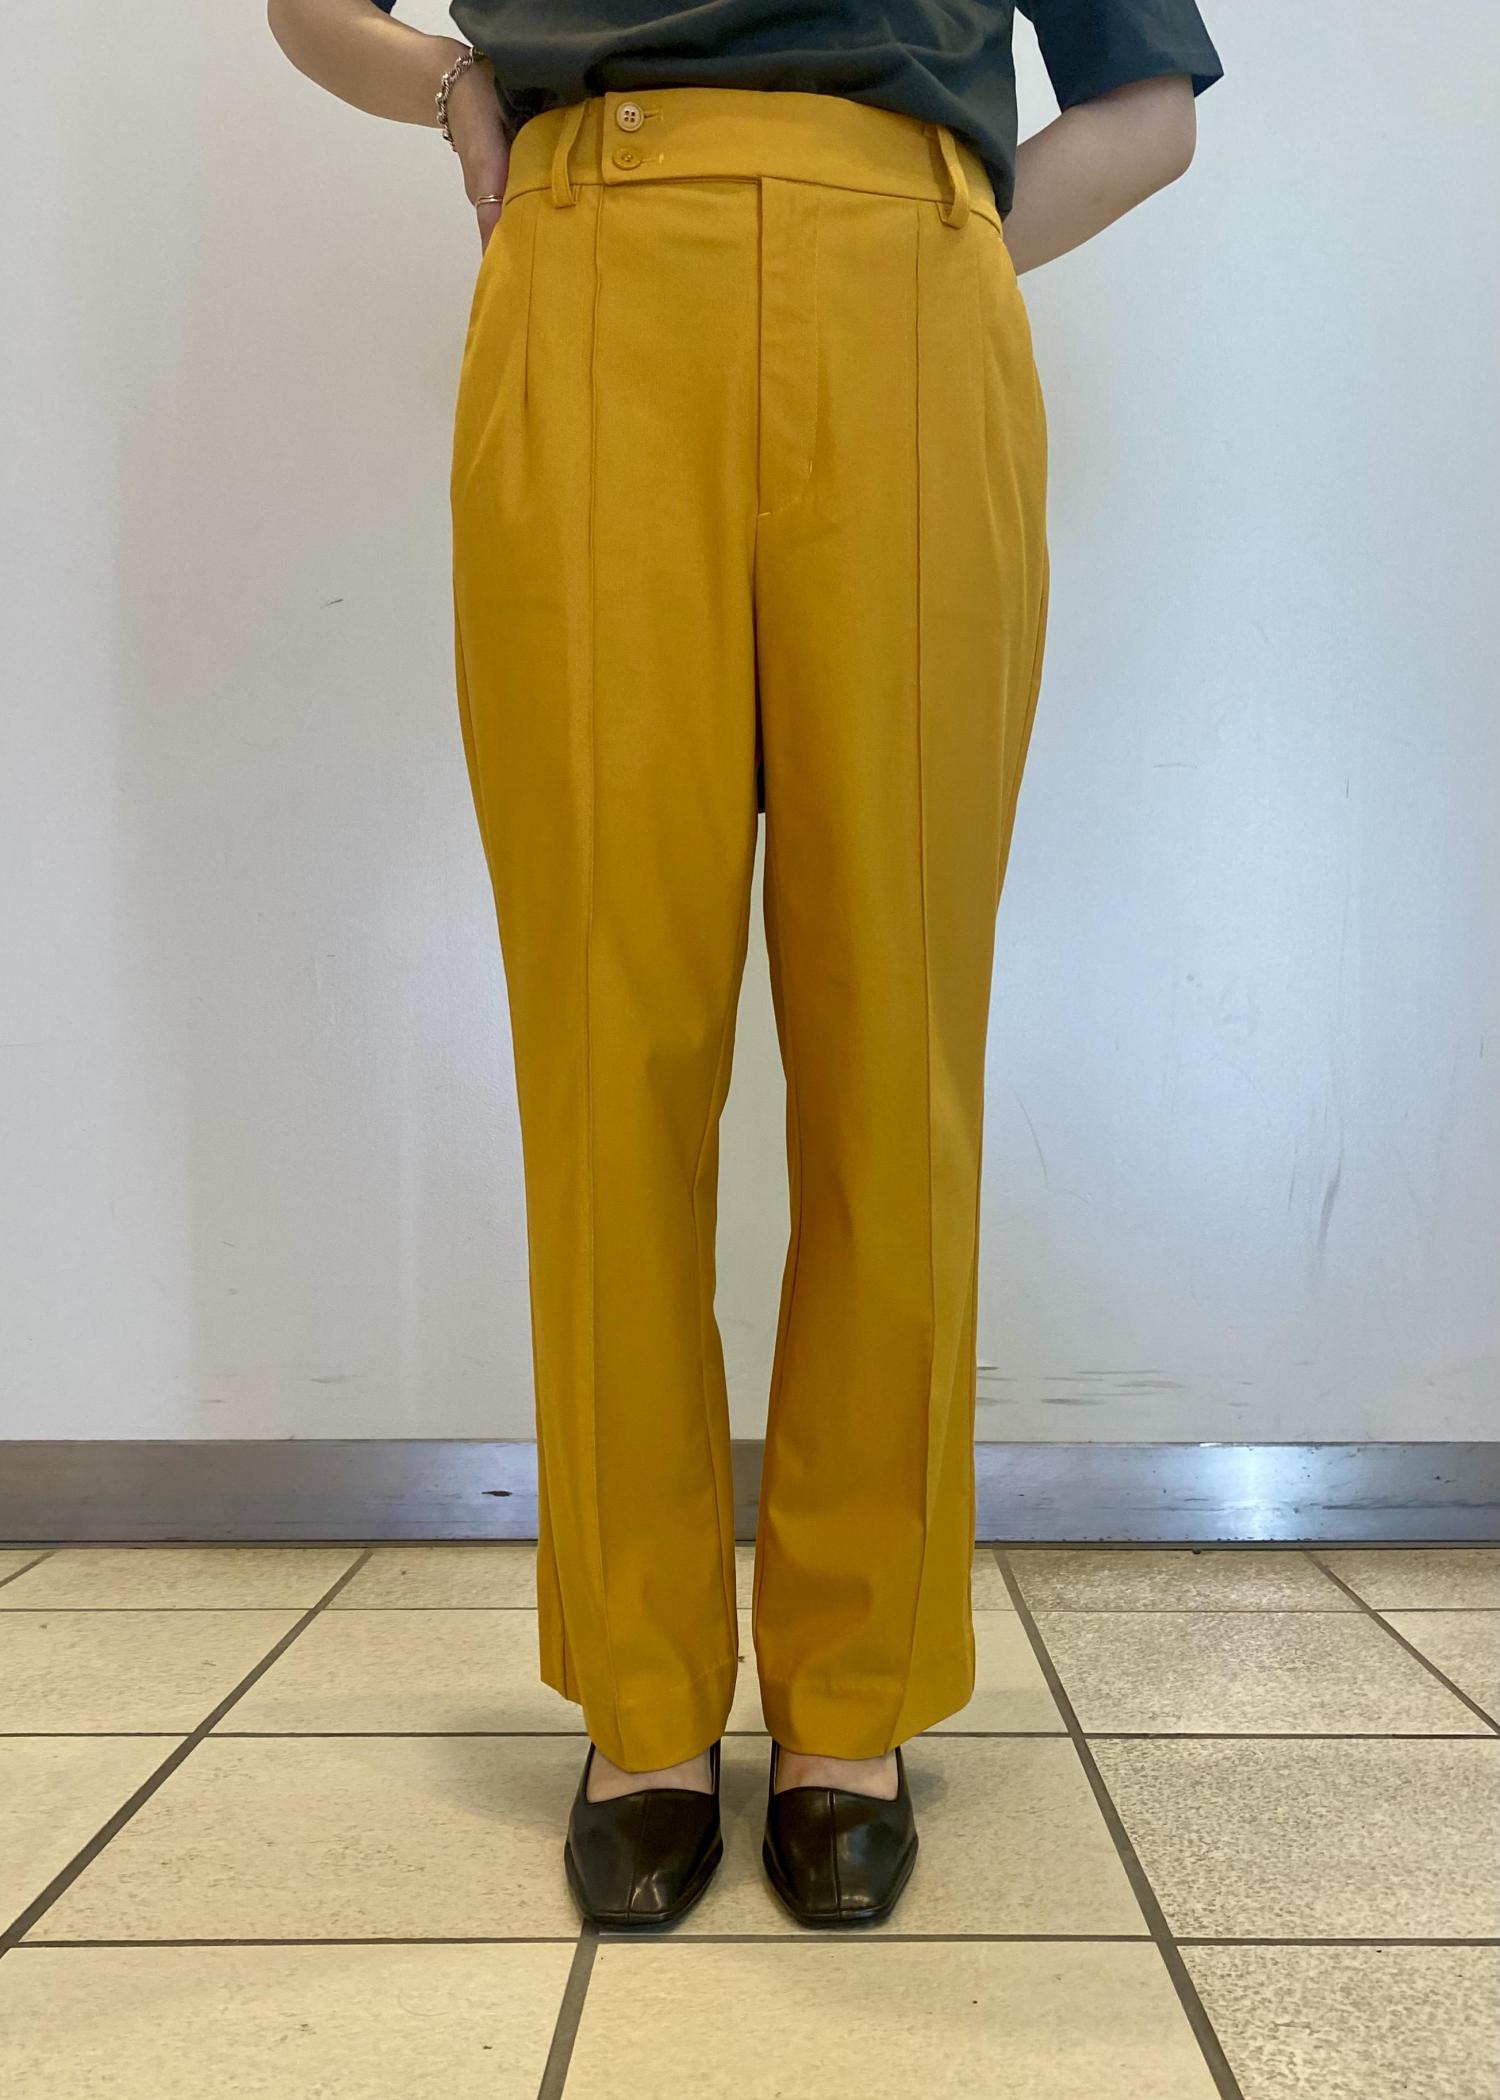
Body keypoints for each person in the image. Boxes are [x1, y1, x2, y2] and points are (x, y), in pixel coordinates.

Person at [267, 0, 1223, 1930]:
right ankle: (641, 1706)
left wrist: (942, 240)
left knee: (897, 1030)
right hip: (591, 281)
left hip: (913, 303)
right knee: (607, 1029)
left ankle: (849, 1703)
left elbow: (1148, 106)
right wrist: (455, 88)